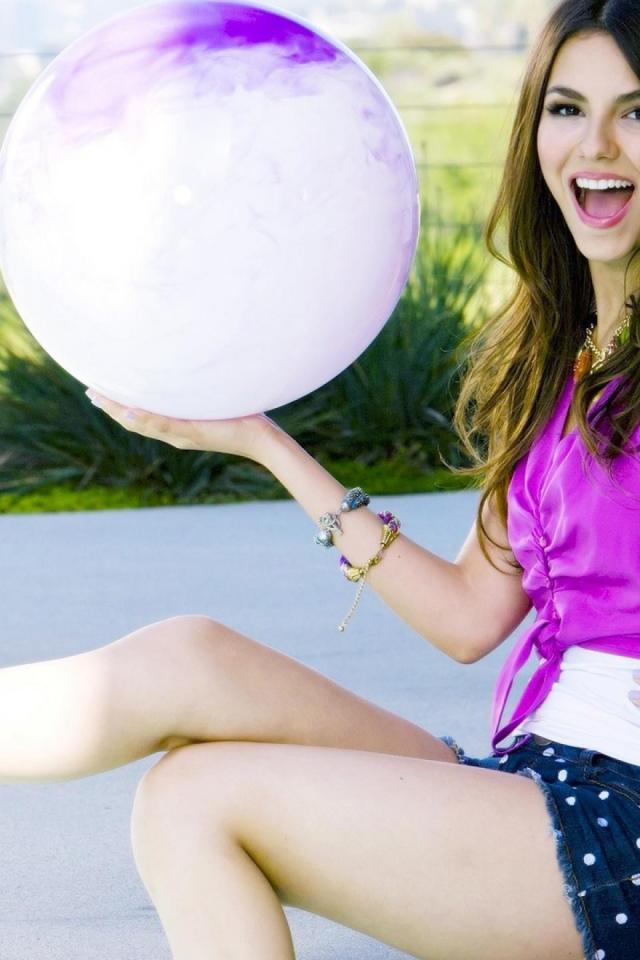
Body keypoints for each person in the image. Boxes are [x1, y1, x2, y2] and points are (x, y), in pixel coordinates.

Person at [6, 0, 640, 957]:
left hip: (619, 821)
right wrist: (263, 442)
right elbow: (470, 615)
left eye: (635, 111)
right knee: (190, 657)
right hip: (541, 775)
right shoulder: (561, 364)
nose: (597, 145)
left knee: (196, 799)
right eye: (567, 108)